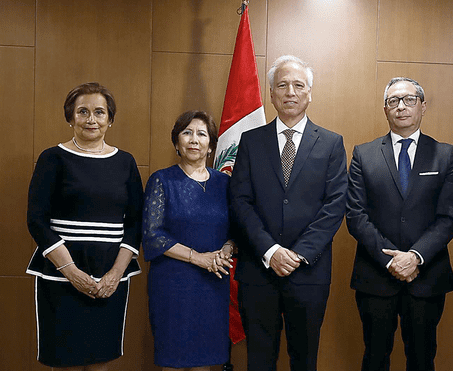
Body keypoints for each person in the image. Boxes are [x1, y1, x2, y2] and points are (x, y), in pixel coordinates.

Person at [229, 55, 348, 371]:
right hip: (258, 269)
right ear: (271, 93)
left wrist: (298, 254)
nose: (290, 92)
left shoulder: (332, 144)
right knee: (259, 359)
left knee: (305, 358)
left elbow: (335, 206)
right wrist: (270, 251)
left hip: (309, 272)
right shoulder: (250, 141)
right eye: (282, 85)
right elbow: (240, 201)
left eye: (299, 85)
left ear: (310, 92)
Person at [346, 77, 453, 371]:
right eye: (393, 101)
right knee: (374, 357)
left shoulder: (445, 154)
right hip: (376, 275)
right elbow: (356, 216)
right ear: (385, 109)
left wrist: (415, 257)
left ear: (422, 107)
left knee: (423, 359)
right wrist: (392, 261)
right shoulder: (364, 154)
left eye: (409, 100)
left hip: (426, 276)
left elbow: (448, 217)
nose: (401, 106)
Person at [26, 82, 144, 370]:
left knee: (101, 360)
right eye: (83, 112)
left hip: (110, 278)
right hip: (61, 276)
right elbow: (36, 220)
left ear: (110, 119)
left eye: (99, 112)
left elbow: (136, 222)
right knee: (64, 361)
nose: (91, 119)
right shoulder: (52, 158)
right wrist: (71, 272)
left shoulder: (125, 162)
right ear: (70, 118)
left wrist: (116, 274)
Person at [142, 110, 235, 370]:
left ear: (211, 146)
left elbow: (237, 230)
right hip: (173, 285)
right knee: (173, 359)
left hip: (213, 285)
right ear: (176, 143)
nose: (194, 139)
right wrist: (199, 258)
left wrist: (226, 249)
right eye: (187, 133)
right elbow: (153, 235)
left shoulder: (225, 184)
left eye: (201, 134)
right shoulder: (162, 180)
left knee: (205, 361)